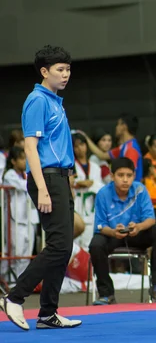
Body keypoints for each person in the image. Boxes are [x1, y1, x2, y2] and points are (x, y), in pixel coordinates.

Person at [1, 45, 82, 330]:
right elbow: (31, 148)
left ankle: (48, 312)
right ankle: (14, 297)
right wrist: (43, 188)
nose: (66, 75)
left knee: (64, 247)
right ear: (44, 72)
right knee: (59, 245)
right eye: (60, 70)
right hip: (46, 179)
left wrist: (64, 183)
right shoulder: (37, 100)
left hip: (60, 178)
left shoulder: (55, 101)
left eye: (68, 69)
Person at [89, 158, 156, 304]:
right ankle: (106, 293)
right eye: (120, 175)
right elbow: (100, 226)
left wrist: (139, 227)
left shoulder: (140, 189)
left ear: (134, 176)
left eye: (129, 175)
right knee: (96, 244)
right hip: (113, 235)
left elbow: (150, 219)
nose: (125, 180)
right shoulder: (103, 194)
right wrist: (113, 232)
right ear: (112, 176)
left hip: (137, 234)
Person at [1, 146, 38, 279]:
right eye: (22, 159)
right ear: (13, 161)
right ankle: (8, 280)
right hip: (14, 219)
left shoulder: (27, 174)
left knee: (27, 252)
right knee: (14, 251)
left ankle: (21, 280)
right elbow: (25, 185)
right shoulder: (9, 175)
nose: (25, 161)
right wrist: (35, 182)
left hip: (30, 219)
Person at [80, 114, 143, 181]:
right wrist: (85, 137)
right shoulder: (123, 147)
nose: (116, 127)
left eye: (118, 124)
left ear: (124, 127)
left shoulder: (130, 149)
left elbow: (129, 175)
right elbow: (102, 155)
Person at [72, 133, 104, 249]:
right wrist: (77, 183)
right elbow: (69, 182)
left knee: (88, 245)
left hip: (90, 209)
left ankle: (88, 268)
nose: (80, 148)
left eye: (82, 144)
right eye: (76, 146)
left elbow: (100, 186)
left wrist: (90, 183)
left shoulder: (95, 166)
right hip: (76, 207)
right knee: (74, 246)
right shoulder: (71, 166)